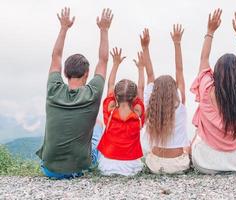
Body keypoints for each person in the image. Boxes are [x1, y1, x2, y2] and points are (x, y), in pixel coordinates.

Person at [36, 7, 113, 179]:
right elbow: (103, 60)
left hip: (49, 169)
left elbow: (56, 57)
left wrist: (64, 28)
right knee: (99, 126)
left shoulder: (53, 88)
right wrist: (104, 29)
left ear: (64, 73)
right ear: (87, 74)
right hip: (78, 168)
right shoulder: (93, 93)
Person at [190, 9, 236, 174]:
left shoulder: (207, 89)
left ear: (216, 73)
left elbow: (203, 60)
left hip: (205, 163)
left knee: (196, 139)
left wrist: (210, 31)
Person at [141, 26, 190, 174]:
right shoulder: (180, 102)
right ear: (174, 90)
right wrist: (177, 43)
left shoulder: (150, 103)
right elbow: (179, 70)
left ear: (154, 90)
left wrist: (145, 47)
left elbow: (149, 74)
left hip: (155, 165)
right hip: (178, 165)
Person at [97, 48, 146, 176]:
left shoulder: (110, 111)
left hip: (107, 165)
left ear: (115, 96)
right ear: (135, 97)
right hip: (131, 167)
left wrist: (115, 64)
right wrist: (141, 68)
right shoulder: (138, 115)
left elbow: (110, 84)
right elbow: (141, 88)